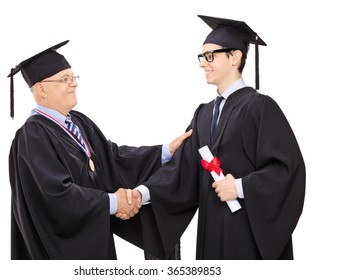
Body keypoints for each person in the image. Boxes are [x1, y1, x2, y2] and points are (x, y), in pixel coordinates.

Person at [130, 15, 306, 259]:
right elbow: (181, 171)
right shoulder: (203, 114)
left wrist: (241, 187)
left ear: (235, 57)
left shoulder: (260, 107)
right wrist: (140, 195)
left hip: (247, 232)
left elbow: (288, 170)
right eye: (202, 57)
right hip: (211, 232)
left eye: (210, 55)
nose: (203, 63)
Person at [7, 40, 191, 260]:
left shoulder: (78, 122)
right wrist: (113, 202)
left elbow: (111, 158)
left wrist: (166, 151)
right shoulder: (32, 136)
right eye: (65, 79)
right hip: (61, 253)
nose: (73, 84)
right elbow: (56, 196)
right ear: (41, 89)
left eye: (73, 77)